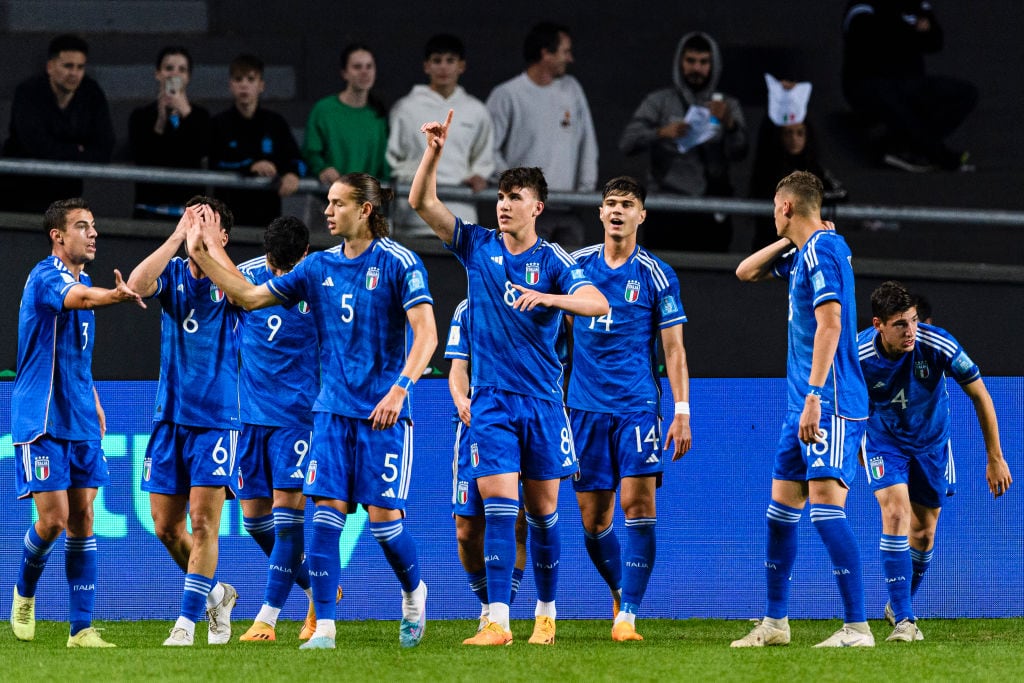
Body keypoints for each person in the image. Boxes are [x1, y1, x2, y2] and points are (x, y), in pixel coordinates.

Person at [186, 173, 437, 650]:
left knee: (386, 525)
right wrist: (201, 253)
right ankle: (325, 628)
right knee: (324, 519)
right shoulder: (317, 266)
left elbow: (426, 334)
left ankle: (413, 592)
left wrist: (400, 389)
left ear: (365, 209)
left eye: (337, 203)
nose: (327, 210)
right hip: (329, 415)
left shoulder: (400, 262)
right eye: (327, 202)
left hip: (383, 416)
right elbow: (250, 296)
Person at [410, 109, 609, 646]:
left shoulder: (554, 260)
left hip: (544, 402)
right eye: (501, 197)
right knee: (498, 506)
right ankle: (497, 619)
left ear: (537, 207)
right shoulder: (478, 246)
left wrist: (549, 297)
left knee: (543, 515)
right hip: (492, 401)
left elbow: (596, 301)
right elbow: (422, 204)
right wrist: (433, 152)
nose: (503, 205)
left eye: (515, 197)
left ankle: (545, 610)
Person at [732, 170, 872, 648]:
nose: (773, 215)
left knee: (825, 511)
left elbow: (831, 324)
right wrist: (790, 242)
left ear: (787, 207)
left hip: (827, 401)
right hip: (801, 406)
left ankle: (857, 627)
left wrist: (814, 395)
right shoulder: (806, 252)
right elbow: (744, 272)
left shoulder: (823, 251)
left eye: (776, 207)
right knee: (779, 513)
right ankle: (775, 624)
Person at [9, 198, 143, 648]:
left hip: (81, 416)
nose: (93, 234)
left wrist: (95, 400)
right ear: (58, 237)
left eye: (94, 227)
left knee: (84, 516)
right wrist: (115, 296)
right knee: (53, 520)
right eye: (82, 227)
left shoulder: (83, 280)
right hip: (42, 415)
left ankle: (80, 629)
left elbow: (77, 355)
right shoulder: (47, 276)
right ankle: (24, 593)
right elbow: (81, 299)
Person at [567, 176, 692, 641]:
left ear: (642, 216)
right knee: (594, 522)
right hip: (582, 409)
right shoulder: (575, 266)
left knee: (638, 505)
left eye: (628, 204)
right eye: (611, 203)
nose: (618, 210)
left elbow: (674, 350)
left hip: (637, 408)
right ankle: (622, 590)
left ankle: (629, 615)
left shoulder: (656, 274)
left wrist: (681, 410)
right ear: (600, 214)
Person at [857, 281, 1012, 642]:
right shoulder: (859, 353)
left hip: (931, 445)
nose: (910, 330)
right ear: (879, 324)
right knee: (895, 513)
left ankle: (899, 604)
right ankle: (906, 622)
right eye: (900, 324)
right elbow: (847, 402)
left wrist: (995, 457)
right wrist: (858, 448)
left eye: (912, 320)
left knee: (924, 533)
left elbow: (980, 395)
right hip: (885, 441)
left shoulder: (937, 343)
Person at [126, 196, 242, 647]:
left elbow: (244, 297)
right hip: (168, 417)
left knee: (203, 523)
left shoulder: (233, 280)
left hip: (216, 419)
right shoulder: (173, 274)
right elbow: (136, 284)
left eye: (204, 222)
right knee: (165, 527)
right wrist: (177, 237)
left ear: (222, 235)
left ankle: (186, 623)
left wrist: (211, 247)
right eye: (188, 219)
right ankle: (217, 594)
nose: (194, 228)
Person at [232, 216, 322, 643]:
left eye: (291, 266)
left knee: (288, 522)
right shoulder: (247, 276)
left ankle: (266, 620)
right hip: (250, 418)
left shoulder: (320, 279)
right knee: (254, 521)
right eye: (275, 265)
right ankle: (317, 588)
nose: (282, 276)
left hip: (297, 419)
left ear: (305, 255)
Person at [619, 32, 748, 253]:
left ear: (713, 65)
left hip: (712, 208)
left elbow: (741, 152)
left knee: (711, 279)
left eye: (703, 62)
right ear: (680, 62)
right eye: (690, 61)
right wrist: (661, 132)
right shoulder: (660, 102)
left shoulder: (727, 105)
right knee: (662, 279)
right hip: (667, 206)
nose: (696, 68)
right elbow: (627, 143)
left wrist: (730, 124)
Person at [445, 299, 529, 631]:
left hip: (520, 424)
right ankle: (487, 604)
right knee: (466, 531)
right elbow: (457, 366)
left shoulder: (534, 302)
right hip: (474, 427)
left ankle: (499, 614)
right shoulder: (467, 308)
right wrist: (461, 399)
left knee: (515, 523)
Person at [486, 22, 598, 251]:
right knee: (526, 282)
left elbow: (588, 142)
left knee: (568, 284)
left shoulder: (572, 89)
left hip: (569, 212)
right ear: (546, 53)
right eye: (565, 51)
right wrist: (518, 190)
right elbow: (487, 150)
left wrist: (584, 193)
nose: (570, 58)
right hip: (526, 216)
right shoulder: (507, 95)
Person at [841, 1, 977, 172]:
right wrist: (911, 31)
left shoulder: (917, 4)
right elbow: (872, 39)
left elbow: (935, 41)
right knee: (888, 95)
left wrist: (907, 32)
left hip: (910, 83)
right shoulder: (862, 5)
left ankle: (901, 146)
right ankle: (936, 154)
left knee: (966, 94)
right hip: (867, 84)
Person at [387, 34, 494, 238]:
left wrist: (480, 175)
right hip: (414, 221)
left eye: (450, 61)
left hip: (460, 216)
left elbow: (484, 158)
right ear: (426, 66)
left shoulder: (477, 111)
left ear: (461, 66)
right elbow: (392, 159)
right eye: (437, 61)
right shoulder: (405, 108)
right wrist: (422, 177)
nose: (443, 67)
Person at [1, 34, 115, 213]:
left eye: (80, 67)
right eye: (68, 66)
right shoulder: (28, 92)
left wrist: (61, 151)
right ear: (50, 67)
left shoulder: (91, 93)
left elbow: (105, 147)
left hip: (67, 198)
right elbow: (35, 145)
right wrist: (77, 151)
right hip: (21, 195)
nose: (74, 73)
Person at [749, 74, 846, 250]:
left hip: (805, 249)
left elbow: (841, 193)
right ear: (779, 136)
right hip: (771, 247)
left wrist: (808, 197)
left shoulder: (814, 168)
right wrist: (779, 101)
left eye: (800, 133)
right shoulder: (767, 170)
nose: (794, 139)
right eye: (788, 133)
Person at [210, 54, 305, 227]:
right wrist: (251, 166)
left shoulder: (275, 123)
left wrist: (292, 173)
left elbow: (298, 161)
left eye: (251, 79)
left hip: (267, 221)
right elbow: (214, 162)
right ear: (231, 85)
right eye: (239, 79)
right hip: (227, 223)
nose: (244, 85)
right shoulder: (219, 124)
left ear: (261, 85)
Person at [128, 46, 211, 220]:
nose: (175, 74)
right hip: (149, 211)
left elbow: (202, 150)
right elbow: (143, 155)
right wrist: (160, 121)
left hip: (190, 216)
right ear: (158, 73)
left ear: (188, 77)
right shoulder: (141, 116)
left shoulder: (201, 117)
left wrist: (185, 112)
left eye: (181, 69)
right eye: (169, 68)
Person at [303, 44, 389, 186]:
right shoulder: (324, 110)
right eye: (357, 67)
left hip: (366, 202)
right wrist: (322, 169)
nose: (364, 72)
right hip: (329, 198)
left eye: (369, 66)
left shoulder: (377, 116)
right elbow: (311, 152)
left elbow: (383, 165)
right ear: (344, 73)